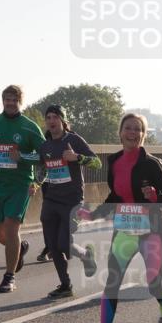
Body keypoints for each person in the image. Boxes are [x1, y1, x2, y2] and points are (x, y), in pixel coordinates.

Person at [84, 114, 162, 323]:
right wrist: (95, 214)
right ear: (120, 132)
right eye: (128, 128)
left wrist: (155, 196)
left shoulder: (153, 164)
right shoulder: (115, 161)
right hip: (124, 230)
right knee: (112, 284)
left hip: (152, 231)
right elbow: (116, 196)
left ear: (143, 134)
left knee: (154, 283)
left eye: (137, 129)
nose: (132, 133)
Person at [0, 85, 45, 293]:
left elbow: (44, 156)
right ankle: (19, 249)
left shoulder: (30, 127)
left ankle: (9, 276)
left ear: (20, 102)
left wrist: (22, 157)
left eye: (14, 100)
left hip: (19, 185)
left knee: (12, 228)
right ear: (2, 101)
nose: (10, 103)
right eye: (7, 99)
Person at [36, 105, 100, 299]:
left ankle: (86, 255)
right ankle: (65, 285)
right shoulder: (45, 145)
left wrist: (76, 157)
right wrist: (35, 183)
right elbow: (42, 170)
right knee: (53, 246)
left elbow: (97, 162)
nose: (51, 121)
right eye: (48, 117)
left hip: (72, 200)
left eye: (55, 117)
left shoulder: (73, 140)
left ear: (63, 121)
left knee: (64, 244)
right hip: (51, 200)